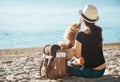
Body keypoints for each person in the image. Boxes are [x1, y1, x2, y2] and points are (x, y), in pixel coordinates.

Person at [67, 4, 106, 78]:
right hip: (102, 69)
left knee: (66, 67)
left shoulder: (80, 35)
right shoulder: (98, 30)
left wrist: (75, 37)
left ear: (82, 19)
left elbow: (77, 55)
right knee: (72, 60)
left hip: (92, 72)